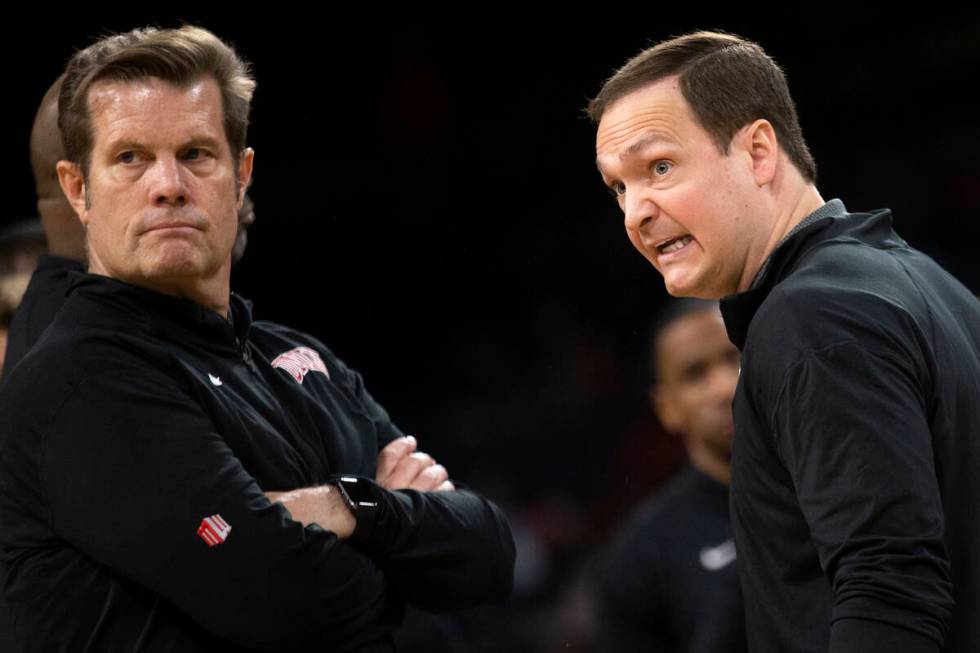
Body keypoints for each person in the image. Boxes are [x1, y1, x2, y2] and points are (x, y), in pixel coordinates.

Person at [0, 25, 514, 653]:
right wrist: (395, 533)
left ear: (241, 176)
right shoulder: (78, 379)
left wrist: (346, 508)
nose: (168, 184)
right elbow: (292, 601)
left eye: (196, 153)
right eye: (130, 158)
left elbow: (487, 555)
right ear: (78, 189)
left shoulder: (298, 357)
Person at [589, 30, 979, 653]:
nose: (636, 210)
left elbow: (889, 592)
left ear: (759, 151)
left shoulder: (811, 318)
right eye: (619, 188)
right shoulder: (923, 281)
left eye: (659, 167)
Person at [592, 299, 745, 653]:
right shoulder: (639, 559)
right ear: (667, 408)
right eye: (695, 374)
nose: (724, 388)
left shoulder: (838, 482)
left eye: (734, 357)